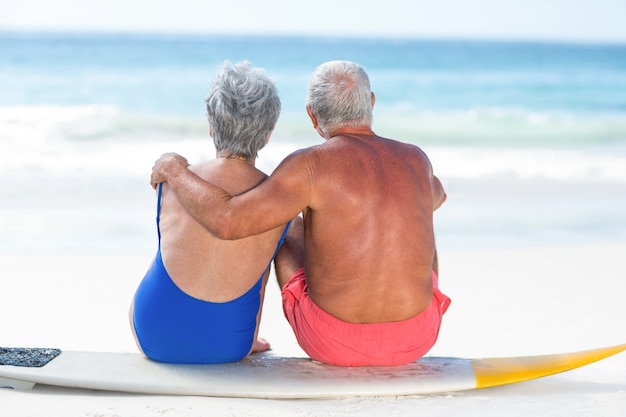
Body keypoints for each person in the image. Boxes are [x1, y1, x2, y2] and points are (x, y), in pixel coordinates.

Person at [150, 60, 450, 367]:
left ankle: (251, 330)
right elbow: (437, 196)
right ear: (370, 102)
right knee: (419, 213)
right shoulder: (417, 159)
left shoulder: (312, 164)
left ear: (312, 114)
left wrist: (174, 169)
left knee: (284, 220)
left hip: (334, 343)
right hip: (418, 336)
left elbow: (229, 221)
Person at [130, 61, 290, 364]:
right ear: (268, 134)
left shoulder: (173, 179)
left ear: (210, 125)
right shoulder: (277, 200)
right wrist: (249, 339)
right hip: (229, 345)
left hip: (153, 338)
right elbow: (261, 284)